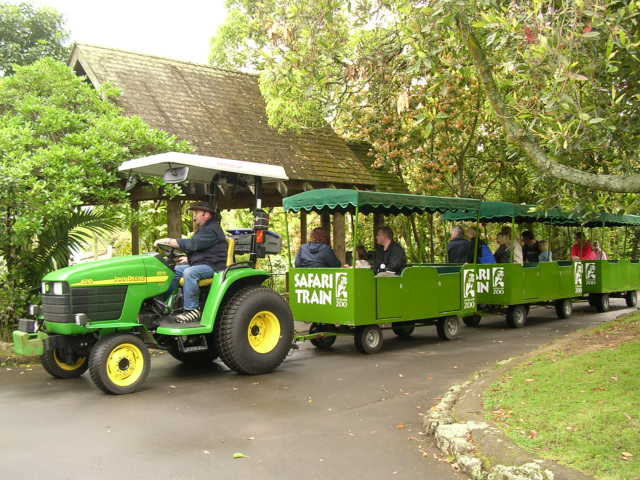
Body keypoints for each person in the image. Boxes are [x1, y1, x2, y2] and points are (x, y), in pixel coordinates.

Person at [155, 202, 228, 323]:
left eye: (196, 213)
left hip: (214, 266)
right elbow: (204, 249)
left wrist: (169, 241)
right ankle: (159, 303)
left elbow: (193, 245)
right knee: (173, 270)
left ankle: (192, 310)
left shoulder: (212, 229)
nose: (194, 216)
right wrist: (188, 259)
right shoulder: (205, 229)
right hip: (205, 263)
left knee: (190, 272)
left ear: (206, 214)